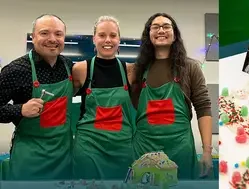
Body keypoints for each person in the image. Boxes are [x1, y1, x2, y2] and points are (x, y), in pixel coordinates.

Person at [131, 13, 213, 180]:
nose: (161, 30)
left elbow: (203, 108)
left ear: (175, 34)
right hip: (143, 151)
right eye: (155, 27)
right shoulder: (136, 70)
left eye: (166, 26)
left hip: (180, 150)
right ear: (149, 35)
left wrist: (206, 151)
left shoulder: (190, 68)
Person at [0, 14, 73, 180]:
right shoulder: (15, 70)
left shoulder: (68, 66)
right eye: (44, 33)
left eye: (58, 34)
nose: (52, 39)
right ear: (33, 37)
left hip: (64, 154)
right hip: (30, 156)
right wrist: (20, 109)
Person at [72, 15, 135, 180]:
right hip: (88, 148)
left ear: (119, 39)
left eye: (113, 35)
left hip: (122, 149)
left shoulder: (130, 71)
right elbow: (63, 103)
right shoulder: (80, 69)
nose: (108, 40)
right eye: (102, 35)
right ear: (94, 39)